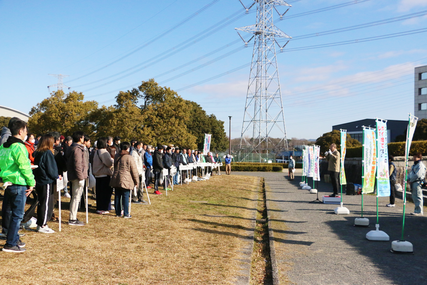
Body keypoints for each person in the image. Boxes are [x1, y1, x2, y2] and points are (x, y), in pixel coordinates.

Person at [0, 119, 35, 252]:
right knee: (17, 215)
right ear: (21, 131)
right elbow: (25, 166)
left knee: (8, 212)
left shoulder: (4, 146)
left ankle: (12, 237)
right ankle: (11, 243)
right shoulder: (19, 147)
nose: (26, 133)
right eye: (26, 130)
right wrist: (31, 182)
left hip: (7, 183)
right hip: (19, 183)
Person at [33, 134, 58, 234]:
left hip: (39, 180)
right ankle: (42, 224)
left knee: (42, 202)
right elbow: (51, 169)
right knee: (46, 203)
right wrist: (56, 176)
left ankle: (41, 223)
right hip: (46, 180)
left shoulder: (38, 153)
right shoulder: (47, 153)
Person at [110, 142, 139, 218]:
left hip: (116, 178)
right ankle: (126, 213)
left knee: (117, 196)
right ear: (127, 148)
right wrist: (136, 181)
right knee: (126, 196)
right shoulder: (129, 157)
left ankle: (118, 212)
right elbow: (134, 170)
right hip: (126, 179)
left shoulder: (117, 156)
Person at [66, 131, 88, 226]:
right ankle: (72, 218)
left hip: (76, 176)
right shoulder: (77, 149)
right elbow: (77, 164)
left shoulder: (73, 148)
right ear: (80, 138)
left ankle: (73, 217)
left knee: (76, 197)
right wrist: (81, 177)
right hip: (78, 177)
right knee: (76, 197)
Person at [92, 137, 114, 214]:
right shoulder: (104, 152)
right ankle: (103, 208)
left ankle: (100, 207)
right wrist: (112, 160)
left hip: (97, 175)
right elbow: (109, 163)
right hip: (104, 175)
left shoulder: (96, 152)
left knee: (99, 193)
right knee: (105, 193)